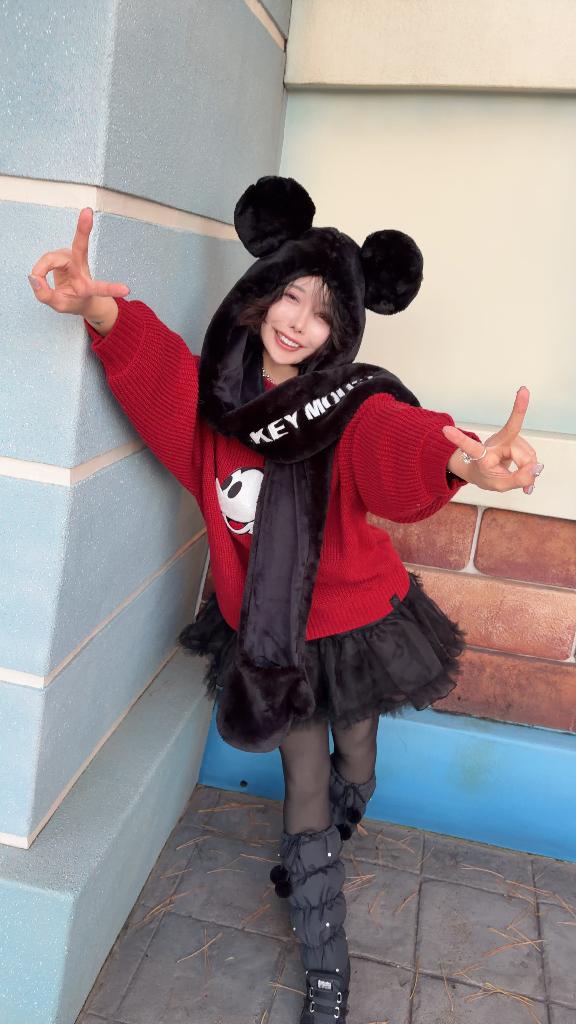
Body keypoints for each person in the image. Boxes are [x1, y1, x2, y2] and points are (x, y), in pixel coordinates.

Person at [29, 176, 542, 1022]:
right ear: (263, 288)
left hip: (357, 623)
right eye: (290, 295)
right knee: (304, 778)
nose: (298, 321)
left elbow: (395, 437)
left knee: (357, 764)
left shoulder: (346, 408)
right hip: (273, 632)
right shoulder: (213, 407)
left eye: (324, 314)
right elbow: (161, 371)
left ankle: (322, 847)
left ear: (344, 332)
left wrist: (464, 461)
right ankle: (325, 952)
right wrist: (98, 309)